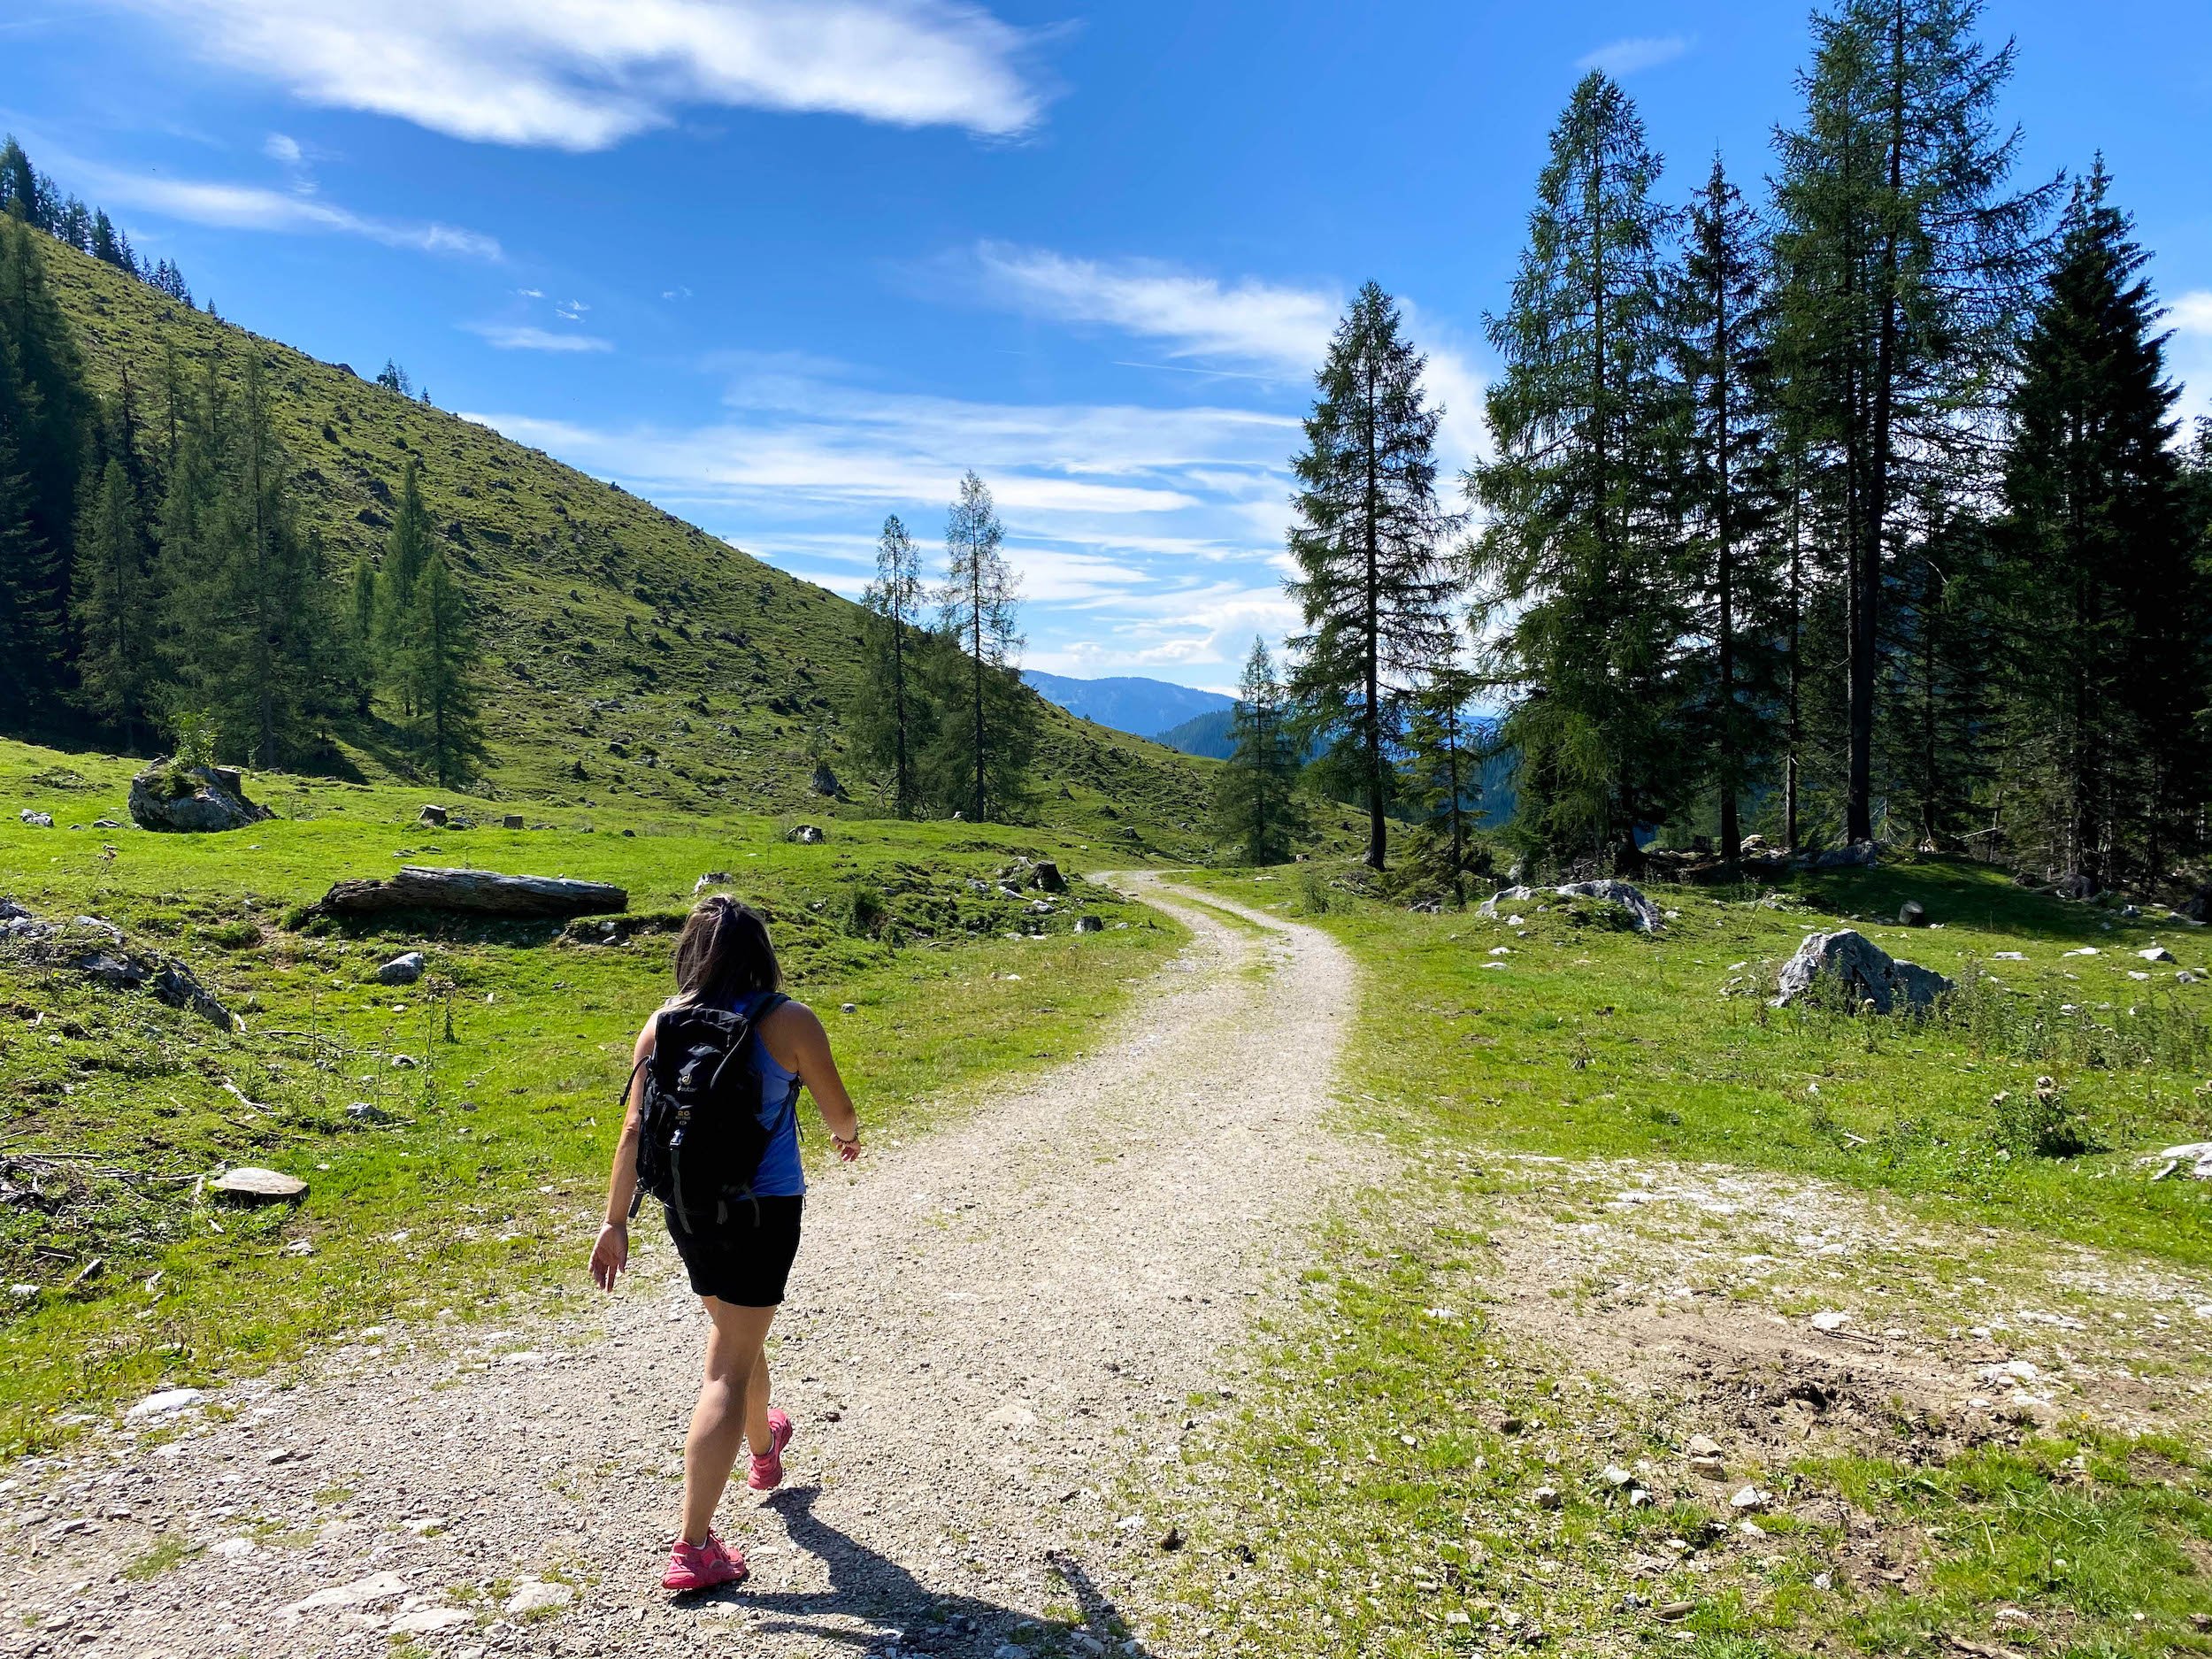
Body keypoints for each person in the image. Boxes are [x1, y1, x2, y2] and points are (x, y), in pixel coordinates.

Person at [589, 895, 863, 1592]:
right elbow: (838, 1108)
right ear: (760, 953)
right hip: (762, 1212)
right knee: (725, 1369)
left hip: (686, 1208)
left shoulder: (662, 1023)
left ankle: (764, 1447)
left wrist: (615, 1221)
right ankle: (693, 1547)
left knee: (738, 1336)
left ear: (691, 953)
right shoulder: (789, 1019)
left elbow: (632, 1130)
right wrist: (846, 1136)